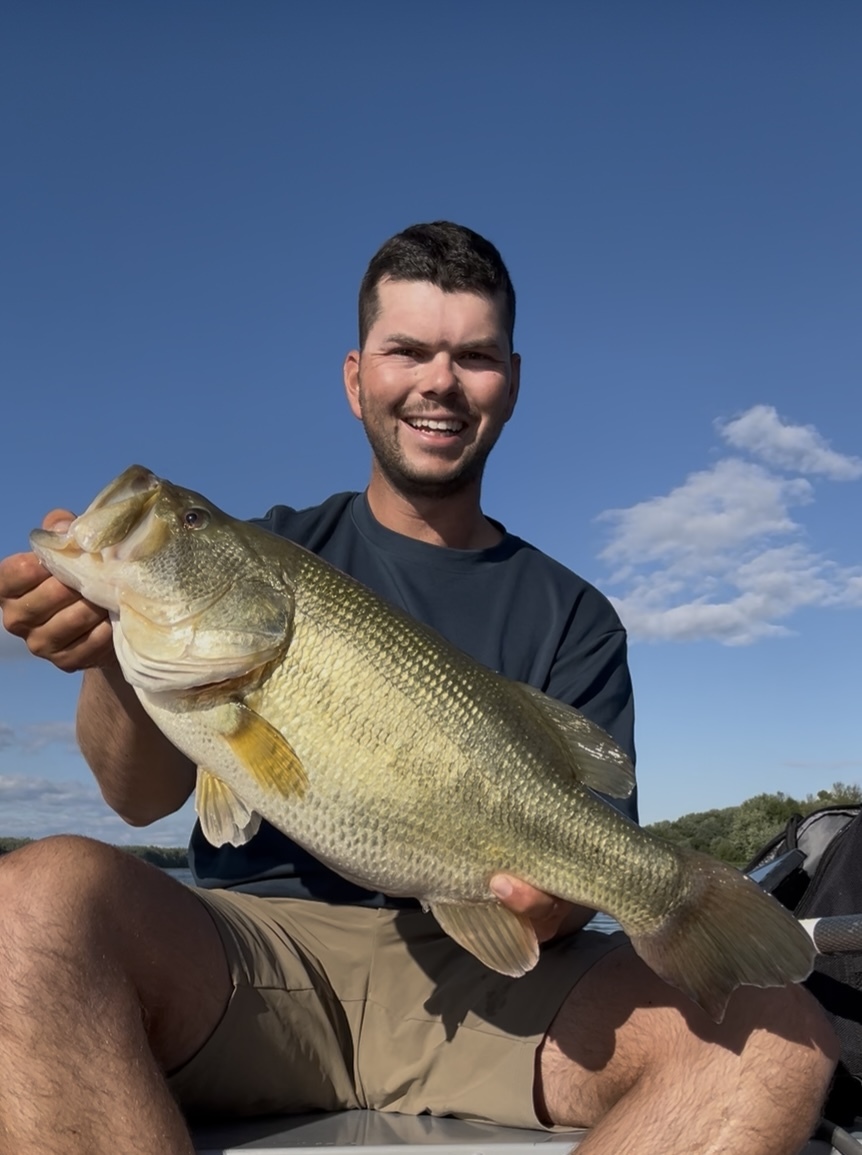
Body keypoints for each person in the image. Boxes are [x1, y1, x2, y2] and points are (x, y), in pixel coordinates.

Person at [0, 221, 837, 1155]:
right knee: (27, 904)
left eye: (473, 355)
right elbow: (136, 795)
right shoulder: (278, 545)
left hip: (488, 987)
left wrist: (549, 895)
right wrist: (109, 652)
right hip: (250, 957)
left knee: (779, 1040)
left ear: (510, 383)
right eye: (408, 350)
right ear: (357, 376)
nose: (439, 380)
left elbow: (569, 885)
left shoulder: (575, 614)